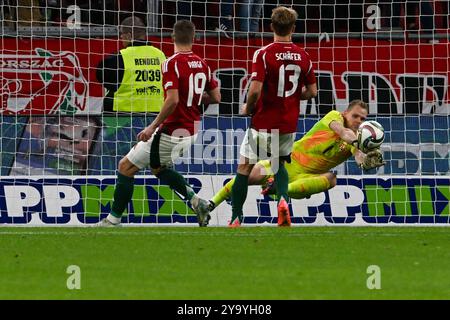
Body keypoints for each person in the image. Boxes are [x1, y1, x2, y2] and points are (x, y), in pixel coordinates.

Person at [97, 20, 221, 227]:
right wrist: (192, 97)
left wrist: (151, 126)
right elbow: (216, 97)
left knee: (125, 167)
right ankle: (197, 202)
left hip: (172, 129)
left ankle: (113, 220)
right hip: (191, 129)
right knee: (158, 168)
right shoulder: (203, 63)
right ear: (194, 38)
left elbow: (172, 100)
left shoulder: (170, 63)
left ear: (172, 38)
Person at [209, 100, 386, 221]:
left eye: (363, 119)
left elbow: (358, 157)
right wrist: (358, 143)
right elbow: (343, 133)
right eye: (356, 116)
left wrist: (365, 162)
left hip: (305, 178)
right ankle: (210, 205)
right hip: (283, 164)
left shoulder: (356, 141)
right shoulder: (334, 117)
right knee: (250, 174)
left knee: (332, 179)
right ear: (345, 112)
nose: (358, 121)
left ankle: (279, 188)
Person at [228, 6, 318, 228]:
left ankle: (236, 217)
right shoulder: (303, 55)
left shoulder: (264, 53)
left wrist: (248, 108)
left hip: (263, 122)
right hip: (287, 123)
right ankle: (284, 204)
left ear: (271, 26)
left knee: (244, 167)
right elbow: (312, 92)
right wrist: (294, 98)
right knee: (279, 166)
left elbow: (255, 89)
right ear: (293, 28)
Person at [96, 16, 166, 112]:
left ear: (129, 35)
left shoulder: (118, 58)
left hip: (123, 118)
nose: (120, 36)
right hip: (157, 115)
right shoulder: (161, 55)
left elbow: (102, 77)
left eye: (122, 33)